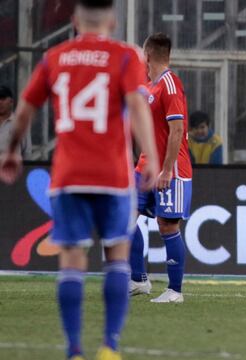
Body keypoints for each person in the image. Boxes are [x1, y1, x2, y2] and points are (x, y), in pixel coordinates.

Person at [0, 1, 160, 359]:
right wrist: (149, 154)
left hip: (69, 175)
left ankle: (74, 349)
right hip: (113, 176)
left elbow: (25, 109)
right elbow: (136, 107)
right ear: (113, 21)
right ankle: (109, 346)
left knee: (72, 259)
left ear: (73, 21)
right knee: (117, 255)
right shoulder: (124, 56)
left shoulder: (56, 57)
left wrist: (11, 150)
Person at [128, 32, 193, 303]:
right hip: (145, 166)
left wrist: (166, 170)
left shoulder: (170, 84)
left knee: (167, 225)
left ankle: (175, 291)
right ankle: (138, 280)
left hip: (172, 169)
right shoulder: (149, 85)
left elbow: (177, 130)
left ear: (147, 55)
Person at [0, 85, 31, 157]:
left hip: (11, 167)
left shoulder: (20, 123)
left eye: (3, 98)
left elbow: (27, 151)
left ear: (11, 101)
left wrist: (26, 167)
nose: (0, 102)